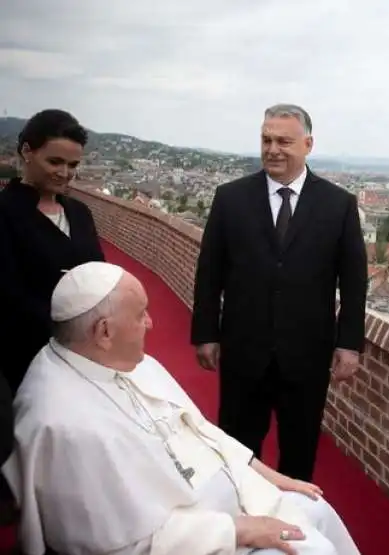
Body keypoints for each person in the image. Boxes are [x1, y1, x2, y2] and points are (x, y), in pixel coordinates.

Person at [2, 262, 361, 555]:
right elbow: (124, 544)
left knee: (317, 508)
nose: (150, 323)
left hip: (226, 499)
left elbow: (202, 431)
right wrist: (237, 530)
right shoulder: (64, 424)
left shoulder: (130, 362)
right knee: (309, 549)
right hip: (196, 536)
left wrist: (270, 476)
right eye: (141, 314)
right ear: (104, 332)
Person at [191, 104, 368, 482]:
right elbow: (210, 273)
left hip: (307, 354)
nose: (272, 149)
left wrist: (349, 343)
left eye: (284, 141)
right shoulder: (230, 198)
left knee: (300, 452)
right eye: (266, 139)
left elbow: (354, 281)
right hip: (243, 350)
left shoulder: (338, 205)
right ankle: (243, 522)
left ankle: (297, 526)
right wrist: (205, 333)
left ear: (307, 144)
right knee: (237, 451)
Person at [0, 109, 104, 394]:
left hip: (82, 355)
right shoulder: (4, 212)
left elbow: (98, 274)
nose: (65, 173)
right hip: (22, 355)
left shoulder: (80, 213)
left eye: (73, 165)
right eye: (55, 161)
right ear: (26, 152)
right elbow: (8, 293)